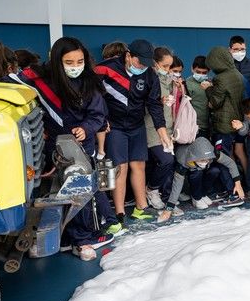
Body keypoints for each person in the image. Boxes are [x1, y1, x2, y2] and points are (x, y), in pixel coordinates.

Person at [9, 37, 114, 260]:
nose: (75, 67)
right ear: (57, 61)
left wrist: (86, 128)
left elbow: (98, 114)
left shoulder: (90, 82)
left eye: (79, 61)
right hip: (48, 146)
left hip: (80, 146)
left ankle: (82, 240)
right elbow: (9, 84)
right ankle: (62, 238)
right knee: (50, 192)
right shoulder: (38, 78)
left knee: (80, 192)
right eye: (69, 62)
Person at [95, 39, 172, 228]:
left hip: (136, 125)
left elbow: (154, 104)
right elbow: (94, 96)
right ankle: (120, 213)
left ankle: (140, 207)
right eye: (139, 62)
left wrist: (161, 131)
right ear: (128, 55)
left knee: (139, 165)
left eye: (146, 64)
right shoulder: (105, 69)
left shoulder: (149, 75)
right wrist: (100, 120)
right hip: (115, 126)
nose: (142, 67)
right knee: (120, 168)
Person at [157, 137, 245, 223]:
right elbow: (177, 184)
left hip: (200, 171)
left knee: (214, 171)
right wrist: (169, 209)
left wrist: (238, 184)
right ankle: (196, 197)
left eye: (207, 160)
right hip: (186, 174)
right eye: (202, 160)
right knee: (196, 173)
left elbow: (230, 163)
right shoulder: (182, 158)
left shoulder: (213, 152)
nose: (205, 161)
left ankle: (202, 194)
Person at [206, 46, 245, 207]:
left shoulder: (221, 78)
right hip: (234, 122)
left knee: (223, 159)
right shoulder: (236, 74)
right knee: (229, 156)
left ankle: (233, 192)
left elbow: (215, 102)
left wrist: (208, 89)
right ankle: (229, 189)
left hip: (223, 125)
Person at [144, 46, 177, 209]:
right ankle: (151, 189)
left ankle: (162, 191)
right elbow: (139, 104)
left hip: (168, 126)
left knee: (166, 162)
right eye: (165, 66)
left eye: (170, 66)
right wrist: (158, 101)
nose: (168, 70)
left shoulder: (170, 80)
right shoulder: (147, 78)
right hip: (151, 127)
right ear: (154, 63)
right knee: (166, 160)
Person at [186, 55, 212, 140]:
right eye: (198, 72)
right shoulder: (186, 84)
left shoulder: (211, 83)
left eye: (204, 73)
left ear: (209, 71)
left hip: (210, 126)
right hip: (194, 127)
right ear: (192, 69)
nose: (201, 74)